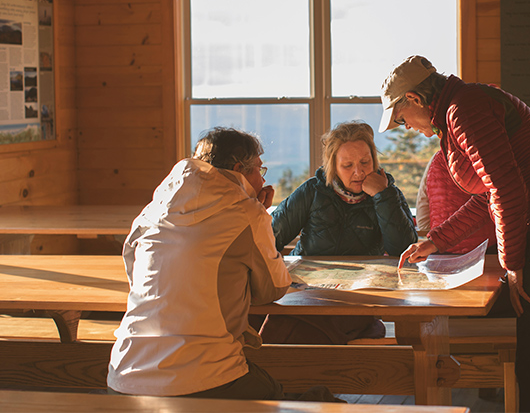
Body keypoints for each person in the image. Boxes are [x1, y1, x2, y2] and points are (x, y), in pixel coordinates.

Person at [383, 55, 530, 412]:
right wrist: (436, 240)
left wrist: (512, 264)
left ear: (415, 100)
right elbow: (486, 196)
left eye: (403, 120)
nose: (409, 128)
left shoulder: (465, 110)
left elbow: (506, 190)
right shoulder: (459, 108)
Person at [108, 127, 335, 402]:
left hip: (124, 374)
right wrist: (259, 217)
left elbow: (133, 266)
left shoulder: (154, 208)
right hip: (205, 377)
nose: (262, 181)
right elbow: (273, 289)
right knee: (276, 392)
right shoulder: (246, 212)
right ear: (240, 169)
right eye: (259, 171)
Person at [258, 121, 417, 344]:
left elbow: (403, 251)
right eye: (347, 165)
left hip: (357, 296)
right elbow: (269, 240)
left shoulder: (389, 194)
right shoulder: (313, 190)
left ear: (375, 160)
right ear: (333, 165)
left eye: (365, 162)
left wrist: (382, 197)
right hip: (306, 292)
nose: (359, 172)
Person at [415, 149, 497, 253]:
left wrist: (433, 238)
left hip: (442, 246)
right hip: (487, 247)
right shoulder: (485, 157)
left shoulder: (438, 159)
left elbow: (422, 216)